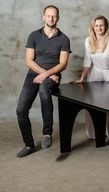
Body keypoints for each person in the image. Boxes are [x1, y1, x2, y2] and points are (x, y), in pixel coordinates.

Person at [16, 5, 71, 157]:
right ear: (43, 17)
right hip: (34, 75)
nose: (51, 18)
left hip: (54, 76)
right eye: (48, 16)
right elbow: (28, 60)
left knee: (43, 91)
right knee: (20, 111)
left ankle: (47, 133)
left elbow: (62, 64)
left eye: (54, 16)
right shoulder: (34, 35)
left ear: (58, 18)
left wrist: (48, 74)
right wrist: (44, 73)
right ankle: (29, 145)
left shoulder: (64, 39)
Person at [70, 15, 109, 145]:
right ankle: (98, 133)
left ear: (105, 26)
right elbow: (87, 60)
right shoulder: (88, 40)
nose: (99, 28)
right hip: (94, 73)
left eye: (101, 25)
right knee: (94, 103)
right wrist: (82, 78)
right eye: (96, 25)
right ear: (93, 27)